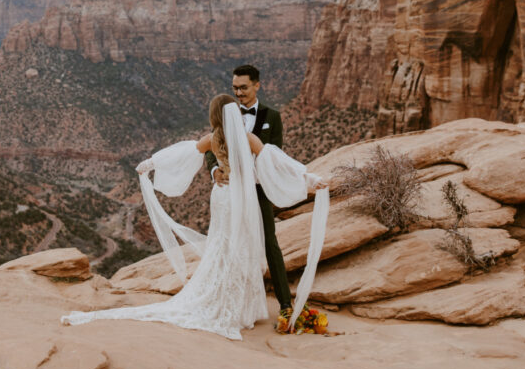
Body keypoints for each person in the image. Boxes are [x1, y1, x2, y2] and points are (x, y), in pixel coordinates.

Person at [61, 95, 330, 340]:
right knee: (240, 248)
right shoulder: (248, 138)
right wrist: (308, 178)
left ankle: (225, 299)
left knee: (223, 246)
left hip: (223, 199)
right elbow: (277, 160)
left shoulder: (213, 138)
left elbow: (185, 151)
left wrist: (152, 163)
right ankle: (239, 306)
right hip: (240, 199)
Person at [207, 64, 292, 318]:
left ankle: (285, 304)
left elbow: (275, 155)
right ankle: (228, 304)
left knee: (269, 244)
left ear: (257, 85)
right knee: (231, 245)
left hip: (258, 192)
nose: (239, 93)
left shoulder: (272, 117)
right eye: (235, 88)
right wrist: (215, 171)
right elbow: (210, 148)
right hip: (231, 194)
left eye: (243, 87)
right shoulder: (225, 114)